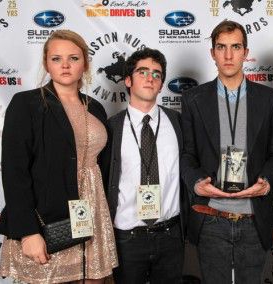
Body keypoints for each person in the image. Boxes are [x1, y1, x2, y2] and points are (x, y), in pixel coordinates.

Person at [0, 30, 118, 283]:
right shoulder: (27, 104)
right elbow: (14, 172)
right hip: (49, 218)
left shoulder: (94, 106)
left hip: (92, 214)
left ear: (84, 62)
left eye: (73, 58)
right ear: (46, 64)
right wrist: (28, 232)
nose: (65, 65)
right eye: (56, 58)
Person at [180, 20, 273, 283]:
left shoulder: (269, 99)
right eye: (221, 47)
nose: (228, 55)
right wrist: (196, 183)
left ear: (246, 53)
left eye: (235, 47)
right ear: (212, 53)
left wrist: (267, 182)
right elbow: (187, 154)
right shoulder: (193, 99)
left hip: (252, 216)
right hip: (211, 216)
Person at [103, 47, 187, 283]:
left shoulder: (178, 123)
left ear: (161, 85)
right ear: (128, 80)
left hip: (171, 235)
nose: (150, 78)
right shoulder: (111, 128)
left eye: (157, 74)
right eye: (142, 72)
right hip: (126, 239)